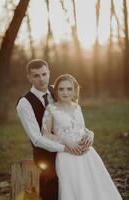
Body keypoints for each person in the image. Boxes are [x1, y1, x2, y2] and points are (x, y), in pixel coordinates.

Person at [17, 59, 92, 200]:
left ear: (49, 73)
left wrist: (89, 133)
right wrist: (64, 147)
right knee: (52, 193)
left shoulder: (58, 89)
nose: (41, 79)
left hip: (72, 151)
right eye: (36, 75)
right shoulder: (24, 103)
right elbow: (37, 138)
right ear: (29, 78)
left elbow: (70, 121)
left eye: (44, 74)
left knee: (80, 186)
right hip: (46, 156)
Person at [42, 74, 122, 200]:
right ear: (56, 91)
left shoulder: (77, 107)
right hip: (67, 153)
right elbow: (45, 134)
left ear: (74, 90)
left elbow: (81, 128)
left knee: (93, 185)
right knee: (75, 187)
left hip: (87, 153)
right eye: (61, 89)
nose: (65, 92)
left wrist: (90, 134)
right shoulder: (51, 109)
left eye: (69, 89)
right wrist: (66, 141)